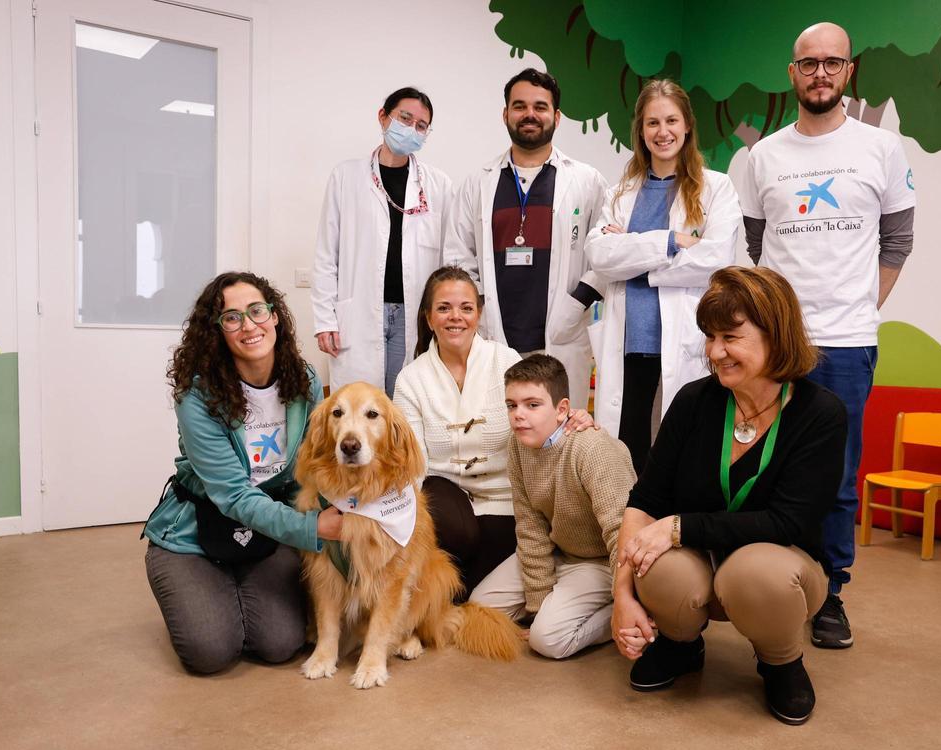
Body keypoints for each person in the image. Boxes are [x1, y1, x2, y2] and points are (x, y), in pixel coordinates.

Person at [737, 21, 915, 649]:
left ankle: (831, 593)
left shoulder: (881, 149)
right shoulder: (765, 156)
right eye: (807, 63)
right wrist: (776, 321)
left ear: (848, 71)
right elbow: (759, 246)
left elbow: (897, 240)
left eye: (831, 63)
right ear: (792, 73)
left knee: (838, 474)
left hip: (846, 341)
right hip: (778, 345)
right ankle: (768, 582)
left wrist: (862, 306)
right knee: (766, 464)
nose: (819, 73)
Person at [610, 267, 846, 725]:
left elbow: (788, 522)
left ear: (775, 335)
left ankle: (781, 660)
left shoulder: (820, 414)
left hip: (782, 567)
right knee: (652, 559)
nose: (715, 352)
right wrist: (623, 595)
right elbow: (644, 501)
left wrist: (681, 527)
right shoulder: (694, 401)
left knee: (755, 572)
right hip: (700, 561)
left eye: (730, 337)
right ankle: (680, 645)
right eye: (710, 337)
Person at [143, 272, 344, 674]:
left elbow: (313, 464)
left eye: (256, 311)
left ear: (274, 317)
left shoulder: (302, 380)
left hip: (267, 531)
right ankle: (202, 590)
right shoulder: (197, 396)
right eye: (231, 318)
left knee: (279, 644)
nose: (248, 325)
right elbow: (233, 496)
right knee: (211, 652)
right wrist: (313, 528)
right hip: (195, 535)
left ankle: (236, 592)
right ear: (217, 332)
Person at [393, 267, 595, 597]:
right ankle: (445, 588)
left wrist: (573, 421)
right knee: (458, 532)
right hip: (445, 494)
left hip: (505, 493)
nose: (455, 317)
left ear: (478, 315)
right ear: (428, 318)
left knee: (480, 575)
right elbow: (413, 465)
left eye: (466, 308)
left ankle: (453, 595)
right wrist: (407, 526)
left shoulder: (505, 360)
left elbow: (538, 415)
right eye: (444, 308)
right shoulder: (410, 380)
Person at [582, 79, 742, 473]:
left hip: (685, 339)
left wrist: (633, 250)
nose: (662, 131)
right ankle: (625, 526)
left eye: (671, 120)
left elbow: (715, 259)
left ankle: (672, 529)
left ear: (687, 125)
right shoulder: (620, 193)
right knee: (628, 446)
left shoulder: (716, 188)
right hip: (628, 341)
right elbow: (599, 255)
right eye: (652, 123)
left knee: (679, 446)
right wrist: (671, 240)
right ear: (641, 130)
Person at [445, 68, 608, 409]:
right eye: (519, 106)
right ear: (506, 114)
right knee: (500, 435)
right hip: (494, 333)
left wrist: (575, 303)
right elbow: (458, 257)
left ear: (556, 116)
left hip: (562, 333)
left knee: (559, 436)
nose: (529, 114)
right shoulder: (478, 183)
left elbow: (604, 255)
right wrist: (481, 306)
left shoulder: (587, 181)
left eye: (540, 106)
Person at [469, 354, 636, 659]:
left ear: (562, 409)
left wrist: (627, 599)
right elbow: (530, 525)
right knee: (478, 609)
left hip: (601, 561)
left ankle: (614, 615)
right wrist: (538, 604)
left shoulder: (591, 448)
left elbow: (621, 533)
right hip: (561, 553)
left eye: (532, 405)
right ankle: (557, 609)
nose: (518, 415)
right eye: (511, 405)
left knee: (548, 641)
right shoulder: (518, 443)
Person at [312, 87, 452, 397]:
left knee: (406, 405)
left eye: (421, 125)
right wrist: (324, 320)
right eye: (405, 118)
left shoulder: (439, 185)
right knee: (360, 410)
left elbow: (448, 259)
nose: (412, 129)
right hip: (357, 315)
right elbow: (326, 255)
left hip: (412, 313)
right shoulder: (346, 176)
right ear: (383, 116)